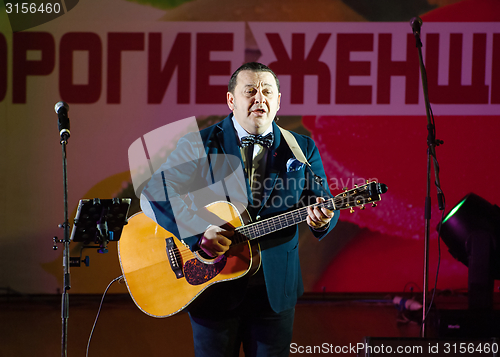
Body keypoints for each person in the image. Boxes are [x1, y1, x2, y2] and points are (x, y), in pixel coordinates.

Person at [140, 62, 339, 357]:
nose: (260, 98)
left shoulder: (301, 147)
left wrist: (322, 220)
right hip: (213, 287)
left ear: (278, 101)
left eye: (268, 91)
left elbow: (322, 203)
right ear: (231, 100)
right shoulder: (200, 143)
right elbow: (154, 194)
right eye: (251, 91)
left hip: (274, 291)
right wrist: (197, 233)